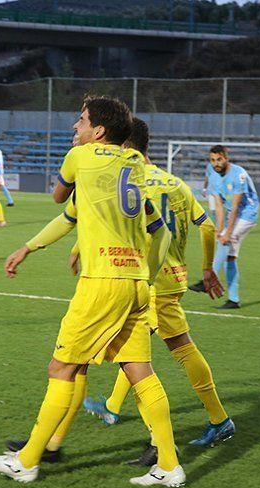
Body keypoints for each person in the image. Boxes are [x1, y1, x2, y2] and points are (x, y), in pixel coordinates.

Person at [0, 96, 185, 487]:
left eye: (81, 120)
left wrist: (74, 171)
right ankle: (170, 465)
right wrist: (28, 247)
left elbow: (59, 199)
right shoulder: (136, 165)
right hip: (137, 284)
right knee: (139, 370)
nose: (75, 127)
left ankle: (27, 460)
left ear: (98, 131)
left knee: (62, 367)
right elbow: (160, 231)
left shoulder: (81, 158)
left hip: (102, 284)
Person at [81, 118, 235, 466]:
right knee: (135, 351)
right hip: (173, 278)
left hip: (146, 279)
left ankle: (201, 425)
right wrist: (207, 269)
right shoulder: (175, 184)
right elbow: (207, 226)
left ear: (123, 144)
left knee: (163, 351)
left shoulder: (130, 183)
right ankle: (114, 409)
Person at [188, 146, 259, 309]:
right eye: (212, 160)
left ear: (227, 158)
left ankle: (208, 280)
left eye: (219, 159)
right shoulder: (213, 176)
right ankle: (234, 300)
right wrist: (219, 229)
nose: (216, 163)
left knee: (226, 241)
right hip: (233, 215)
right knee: (229, 257)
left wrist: (226, 233)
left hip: (248, 214)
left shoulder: (238, 174)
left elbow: (234, 207)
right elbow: (219, 207)